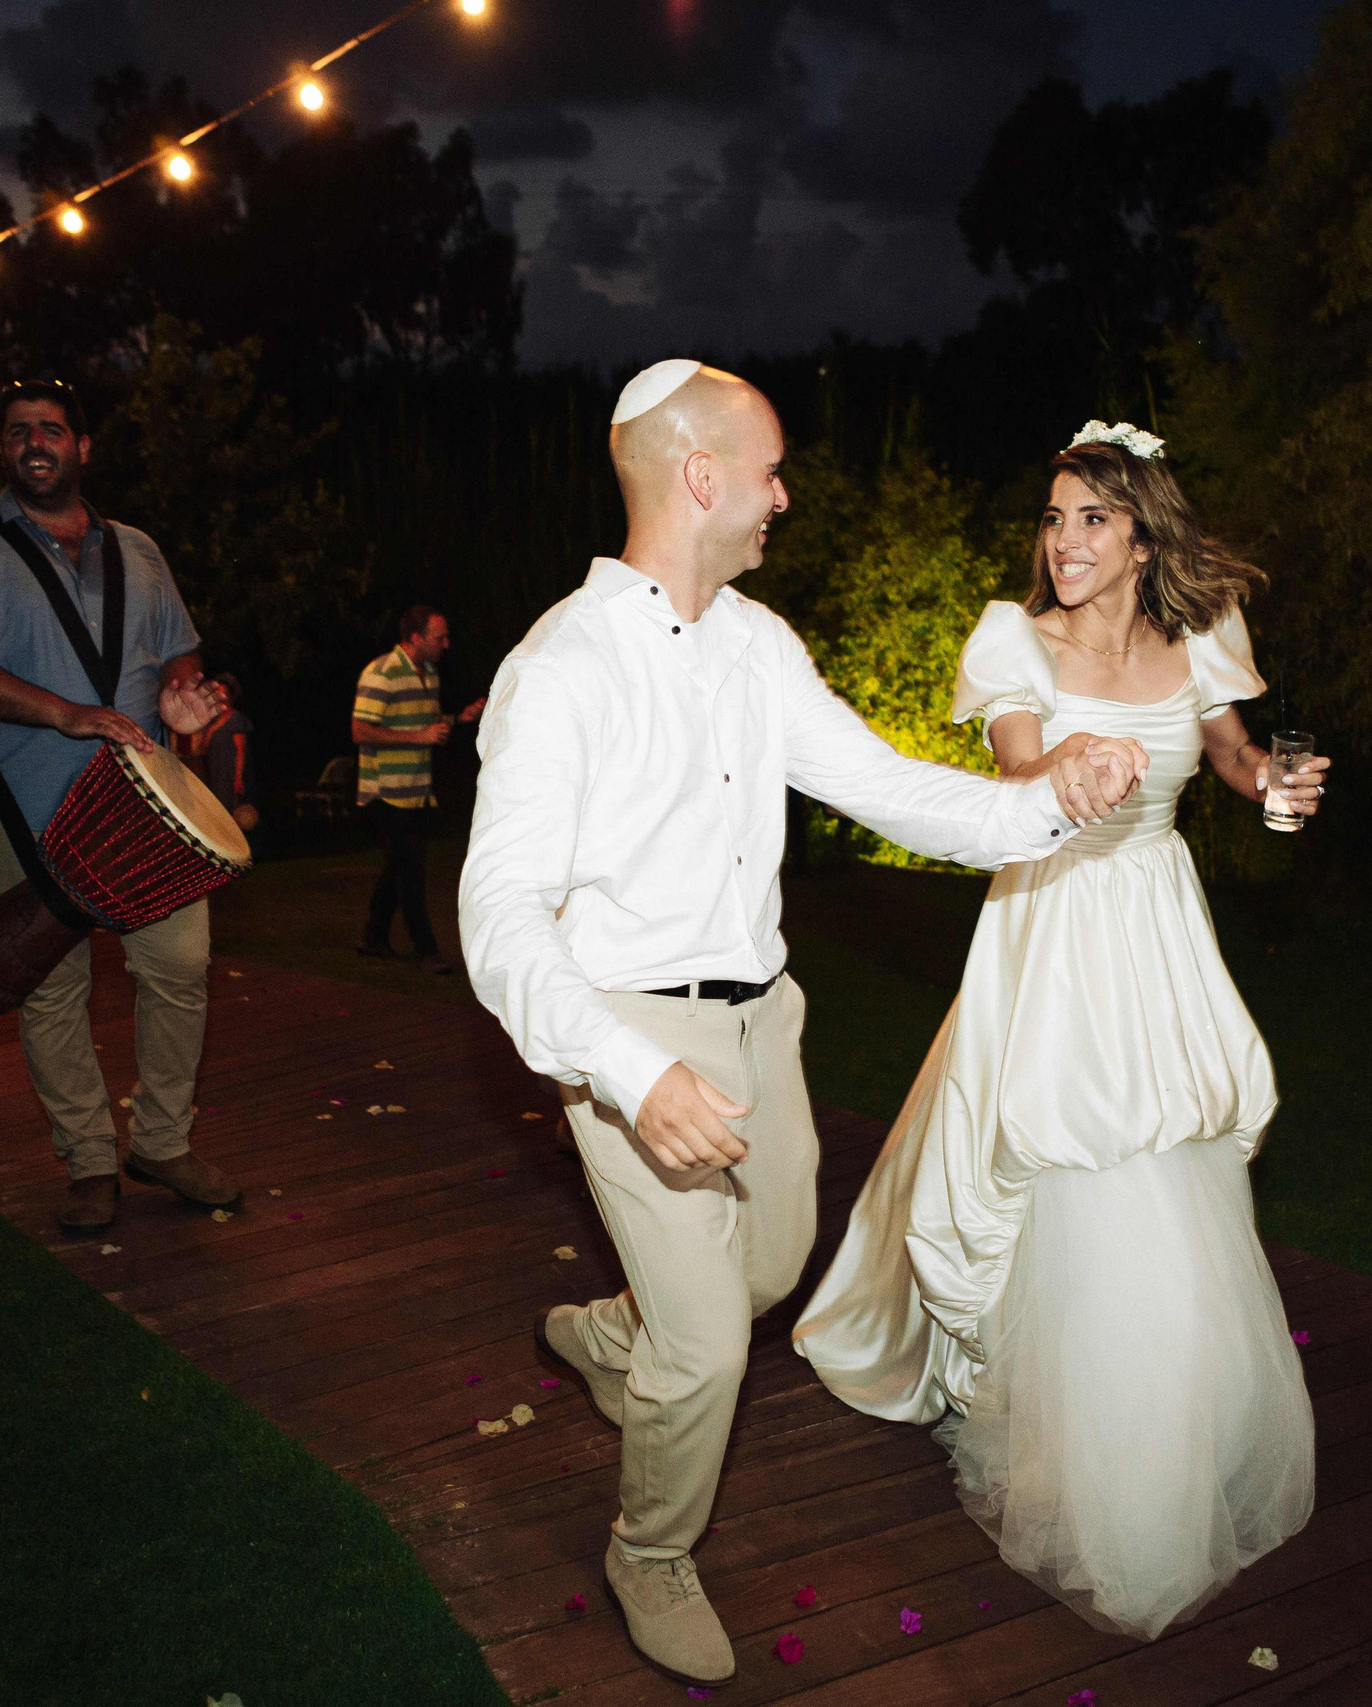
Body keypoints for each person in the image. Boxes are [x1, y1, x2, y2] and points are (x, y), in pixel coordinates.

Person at [459, 360, 1144, 1686]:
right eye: (768, 470)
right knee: (712, 1339)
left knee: (768, 1270)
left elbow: (887, 786)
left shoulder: (760, 647)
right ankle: (650, 1547)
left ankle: (611, 1333)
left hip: (762, 1029)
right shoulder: (563, 665)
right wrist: (626, 1067)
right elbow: (498, 916)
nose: (783, 495)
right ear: (698, 476)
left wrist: (1050, 798)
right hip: (627, 1044)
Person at [794, 424, 1328, 1639]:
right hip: (1054, 918)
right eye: (1053, 518)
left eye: (1091, 518)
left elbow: (1243, 766)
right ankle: (1081, 1448)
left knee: (1171, 1161)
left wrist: (1280, 795)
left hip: (1157, 919)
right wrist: (1064, 772)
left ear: (1143, 535)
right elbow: (1019, 776)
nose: (1065, 540)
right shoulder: (1012, 640)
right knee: (1059, 1146)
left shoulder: (1200, 641)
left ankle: (1181, 1422)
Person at [0, 379, 240, 1234]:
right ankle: (89, 1159)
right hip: (18, 801)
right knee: (51, 989)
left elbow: (179, 660)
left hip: (141, 807)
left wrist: (186, 707)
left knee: (181, 967)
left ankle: (160, 1140)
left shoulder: (141, 550)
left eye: (52, 428)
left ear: (83, 446)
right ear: (2, 449)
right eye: (17, 431)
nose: (35, 442)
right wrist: (63, 711)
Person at [353, 606, 483, 973]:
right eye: (438, 637)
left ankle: (373, 937)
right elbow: (360, 731)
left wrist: (458, 719)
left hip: (417, 789)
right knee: (411, 870)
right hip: (385, 792)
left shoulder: (428, 673)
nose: (446, 643)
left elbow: (426, 725)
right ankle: (427, 951)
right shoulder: (381, 673)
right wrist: (420, 736)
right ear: (415, 638)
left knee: (398, 867)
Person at [175, 670, 258, 832]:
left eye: (223, 693)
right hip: (215, 770)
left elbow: (241, 750)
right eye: (217, 693)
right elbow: (203, 748)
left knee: (232, 812)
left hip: (230, 772)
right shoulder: (212, 720)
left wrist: (238, 779)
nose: (220, 696)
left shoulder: (236, 719)